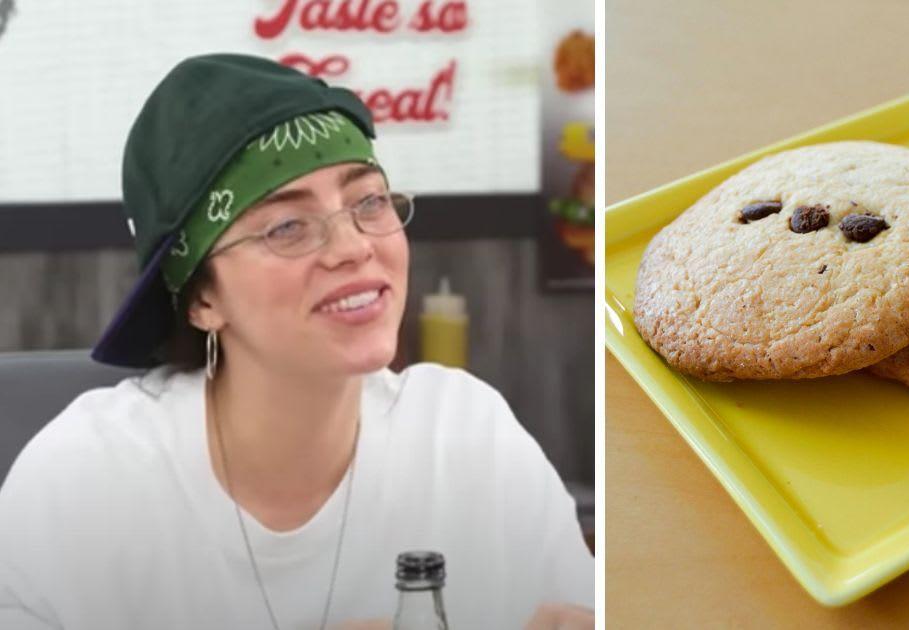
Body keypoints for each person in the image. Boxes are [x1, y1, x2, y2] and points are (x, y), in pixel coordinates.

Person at [0, 53, 594, 629]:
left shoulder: (469, 438)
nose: (355, 247)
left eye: (369, 201)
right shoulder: (88, 477)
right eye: (287, 227)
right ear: (203, 298)